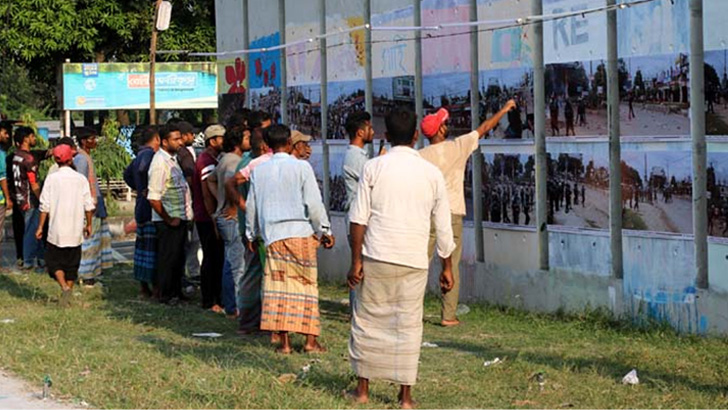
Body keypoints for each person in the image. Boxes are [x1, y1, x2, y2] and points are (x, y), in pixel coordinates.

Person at [347, 107, 455, 409]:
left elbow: (358, 219)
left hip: (377, 254)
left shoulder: (373, 168)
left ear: (386, 136)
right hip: (413, 260)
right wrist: (446, 267)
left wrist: (355, 261)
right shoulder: (431, 173)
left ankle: (363, 391)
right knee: (408, 327)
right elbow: (443, 225)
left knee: (368, 322)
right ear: (417, 136)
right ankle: (405, 397)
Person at [418, 100, 515, 327]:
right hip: (451, 214)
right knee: (451, 263)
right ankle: (448, 315)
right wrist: (503, 109)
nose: (447, 125)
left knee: (420, 264)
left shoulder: (420, 156)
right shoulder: (456, 147)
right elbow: (484, 128)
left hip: (426, 216)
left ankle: (411, 312)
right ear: (440, 130)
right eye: (445, 123)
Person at [245, 124, 335, 354]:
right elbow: (313, 203)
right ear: (289, 144)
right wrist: (324, 230)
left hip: (273, 237)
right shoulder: (301, 168)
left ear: (267, 145)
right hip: (300, 233)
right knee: (306, 286)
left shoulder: (258, 171)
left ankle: (284, 343)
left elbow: (252, 207)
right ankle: (310, 341)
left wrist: (251, 234)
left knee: (279, 288)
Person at [226, 128, 272, 333]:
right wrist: (244, 205)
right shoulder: (257, 164)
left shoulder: (250, 162)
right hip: (256, 229)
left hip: (252, 226)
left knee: (254, 273)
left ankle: (250, 320)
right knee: (255, 274)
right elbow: (231, 184)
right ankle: (250, 321)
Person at [36, 145, 94, 307]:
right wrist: (88, 224)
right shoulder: (80, 179)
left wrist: (40, 227)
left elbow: (44, 206)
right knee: (72, 265)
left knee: (54, 262)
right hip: (75, 230)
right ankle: (68, 290)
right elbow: (88, 205)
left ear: (56, 160)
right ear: (71, 159)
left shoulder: (52, 179)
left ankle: (64, 288)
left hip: (56, 230)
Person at [147, 124, 193, 305]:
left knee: (177, 257)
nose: (180, 142)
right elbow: (153, 197)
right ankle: (165, 294)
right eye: (176, 139)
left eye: (180, 138)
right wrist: (168, 219)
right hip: (167, 220)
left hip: (179, 216)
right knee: (168, 258)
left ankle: (176, 292)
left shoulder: (172, 160)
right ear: (164, 142)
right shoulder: (159, 162)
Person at [209, 127, 250, 318]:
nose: (249, 140)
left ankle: (230, 303)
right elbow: (229, 183)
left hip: (223, 215)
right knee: (236, 264)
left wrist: (219, 201)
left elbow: (210, 180)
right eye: (246, 137)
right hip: (231, 218)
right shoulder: (233, 162)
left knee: (229, 260)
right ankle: (234, 306)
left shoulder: (223, 159)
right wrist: (231, 205)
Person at [123, 126, 160, 298]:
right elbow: (142, 169)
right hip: (150, 208)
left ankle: (145, 287)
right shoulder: (149, 155)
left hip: (141, 207)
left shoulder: (138, 155)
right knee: (151, 249)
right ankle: (150, 287)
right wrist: (147, 187)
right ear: (158, 139)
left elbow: (127, 175)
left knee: (142, 249)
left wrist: (138, 188)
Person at [192, 124, 226, 312]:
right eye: (222, 138)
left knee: (216, 257)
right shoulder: (206, 161)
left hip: (208, 215)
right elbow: (207, 193)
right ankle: (210, 299)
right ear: (213, 141)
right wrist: (213, 217)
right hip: (206, 216)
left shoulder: (213, 158)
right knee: (212, 257)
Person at [73, 127, 113, 284]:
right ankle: (87, 275)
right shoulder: (81, 159)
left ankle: (92, 272)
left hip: (95, 202)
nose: (95, 141)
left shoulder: (85, 156)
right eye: (92, 139)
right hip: (90, 204)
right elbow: (82, 184)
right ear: (84, 141)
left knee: (96, 241)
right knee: (90, 241)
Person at [168, 119, 202, 287]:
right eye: (189, 134)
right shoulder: (182, 154)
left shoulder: (184, 153)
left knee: (191, 242)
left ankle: (190, 272)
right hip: (186, 204)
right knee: (188, 242)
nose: (193, 136)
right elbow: (190, 178)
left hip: (186, 203)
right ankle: (188, 274)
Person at [12, 126, 45, 270]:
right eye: (32, 136)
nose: (34, 139)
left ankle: (41, 259)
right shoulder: (28, 158)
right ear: (26, 138)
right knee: (32, 231)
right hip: (30, 200)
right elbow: (33, 183)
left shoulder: (16, 156)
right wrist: (43, 200)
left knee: (32, 229)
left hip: (20, 199)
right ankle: (29, 262)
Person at [0, 122, 13, 258]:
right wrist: (8, 198)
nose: (7, 136)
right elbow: (2, 177)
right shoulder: (1, 154)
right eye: (4, 133)